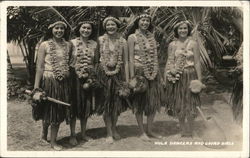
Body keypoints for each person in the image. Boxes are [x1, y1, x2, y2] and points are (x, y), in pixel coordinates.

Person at [32, 21, 72, 150]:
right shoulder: (44, 45)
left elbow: (70, 63)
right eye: (57, 28)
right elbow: (39, 67)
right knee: (47, 109)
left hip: (63, 82)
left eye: (61, 28)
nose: (59, 30)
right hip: (48, 80)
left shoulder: (68, 45)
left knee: (57, 110)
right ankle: (44, 134)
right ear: (52, 30)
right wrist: (36, 88)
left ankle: (53, 141)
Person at [164, 20, 203, 137]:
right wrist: (165, 76)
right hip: (176, 77)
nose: (183, 30)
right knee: (179, 102)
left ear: (188, 30)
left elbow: (196, 62)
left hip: (190, 74)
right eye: (180, 28)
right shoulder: (172, 45)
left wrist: (199, 80)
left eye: (185, 28)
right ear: (176, 31)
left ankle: (190, 130)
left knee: (190, 103)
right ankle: (182, 130)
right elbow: (169, 61)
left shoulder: (193, 44)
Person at [127, 13, 162, 141]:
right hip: (139, 71)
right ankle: (142, 132)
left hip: (153, 72)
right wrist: (132, 77)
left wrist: (159, 73)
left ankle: (150, 130)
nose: (145, 23)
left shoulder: (152, 37)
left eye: (147, 21)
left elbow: (156, 57)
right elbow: (130, 58)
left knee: (152, 102)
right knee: (140, 102)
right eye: (143, 20)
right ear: (138, 22)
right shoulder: (132, 37)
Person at [96, 16, 129, 143]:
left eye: (113, 25)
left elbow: (126, 61)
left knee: (116, 103)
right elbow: (96, 59)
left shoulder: (123, 41)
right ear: (105, 27)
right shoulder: (100, 40)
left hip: (118, 73)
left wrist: (126, 79)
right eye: (108, 25)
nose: (110, 27)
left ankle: (114, 129)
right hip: (103, 74)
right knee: (106, 103)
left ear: (117, 26)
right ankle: (108, 132)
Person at [69, 21, 99, 145]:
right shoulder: (72, 43)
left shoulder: (94, 44)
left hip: (88, 78)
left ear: (91, 31)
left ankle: (83, 133)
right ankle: (72, 135)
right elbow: (68, 60)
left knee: (85, 106)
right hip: (74, 78)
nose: (86, 30)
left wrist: (92, 76)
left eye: (89, 28)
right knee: (74, 106)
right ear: (79, 29)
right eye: (84, 27)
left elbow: (96, 62)